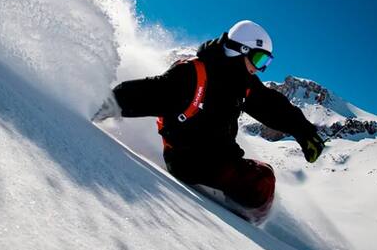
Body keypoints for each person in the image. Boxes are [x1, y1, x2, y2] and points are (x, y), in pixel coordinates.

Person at [93, 20, 325, 223]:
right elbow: (148, 93)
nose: (260, 68)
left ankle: (241, 207)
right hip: (188, 161)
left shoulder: (241, 83)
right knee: (260, 182)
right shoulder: (193, 76)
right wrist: (99, 106)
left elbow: (271, 105)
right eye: (259, 58)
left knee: (264, 175)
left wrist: (303, 131)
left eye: (266, 62)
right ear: (240, 50)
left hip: (219, 157)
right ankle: (240, 213)